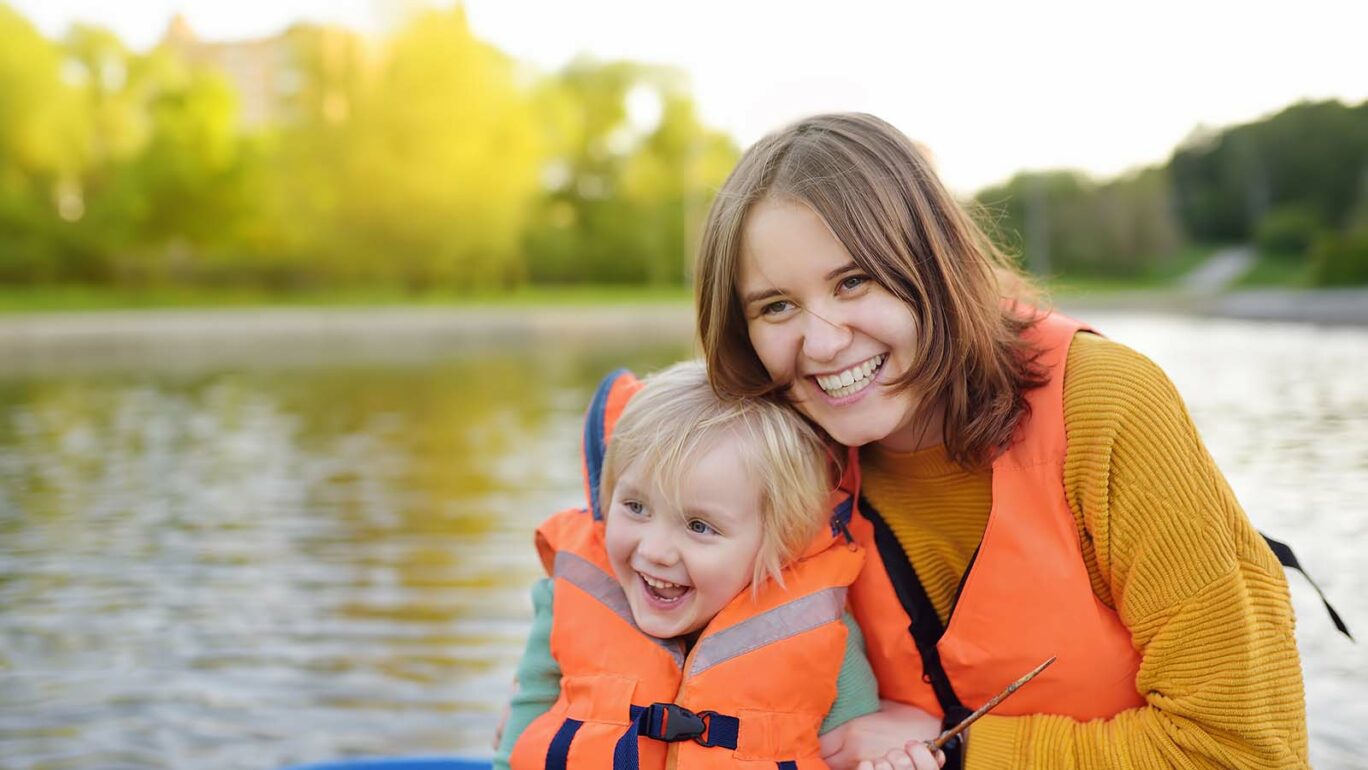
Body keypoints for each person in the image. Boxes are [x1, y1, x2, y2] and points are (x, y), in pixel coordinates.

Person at [694, 113, 1309, 770]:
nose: (819, 344)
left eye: (854, 281)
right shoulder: (758, 462)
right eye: (775, 306)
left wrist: (955, 752)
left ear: (934, 265)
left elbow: (1245, 751)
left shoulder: (1108, 404)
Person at [494, 360, 898, 769]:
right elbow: (520, 733)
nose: (655, 550)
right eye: (635, 506)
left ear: (780, 542)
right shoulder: (565, 601)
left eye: (699, 526)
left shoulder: (822, 633)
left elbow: (852, 747)